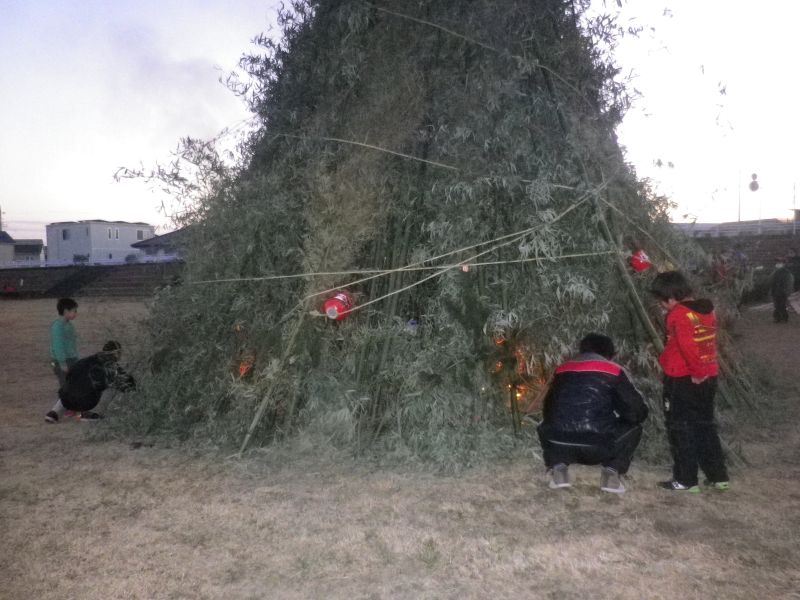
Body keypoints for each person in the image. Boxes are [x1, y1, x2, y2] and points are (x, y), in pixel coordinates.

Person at [537, 333, 649, 494]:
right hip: (599, 445)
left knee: (547, 424)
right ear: (609, 352)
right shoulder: (613, 370)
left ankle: (558, 468)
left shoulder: (562, 370)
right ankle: (611, 471)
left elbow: (548, 408)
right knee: (635, 427)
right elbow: (636, 410)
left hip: (558, 443)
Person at [650, 271, 729, 492]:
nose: (662, 306)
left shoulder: (678, 314)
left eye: (662, 301)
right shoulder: (707, 310)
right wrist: (702, 371)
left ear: (671, 298)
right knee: (705, 425)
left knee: (680, 427)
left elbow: (687, 346)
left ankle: (686, 479)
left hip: (684, 378)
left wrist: (695, 371)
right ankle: (718, 476)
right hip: (709, 375)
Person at [45, 340, 135, 423]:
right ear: (116, 353)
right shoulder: (112, 367)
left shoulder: (84, 361)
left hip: (66, 400)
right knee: (110, 387)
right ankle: (90, 413)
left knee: (71, 388)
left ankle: (54, 413)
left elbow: (68, 377)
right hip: (86, 403)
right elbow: (128, 384)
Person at [49, 298, 79, 408]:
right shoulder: (58, 326)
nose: (76, 313)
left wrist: (76, 358)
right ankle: (65, 407)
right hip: (62, 361)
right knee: (65, 385)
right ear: (66, 311)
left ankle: (70, 406)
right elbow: (58, 346)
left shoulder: (69, 325)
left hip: (71, 359)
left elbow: (72, 344)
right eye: (74, 311)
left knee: (71, 384)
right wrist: (62, 363)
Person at [769, 258, 794, 323]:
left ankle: (784, 317)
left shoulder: (786, 272)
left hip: (782, 292)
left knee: (782, 305)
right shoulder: (775, 272)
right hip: (775, 291)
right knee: (776, 305)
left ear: (783, 264)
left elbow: (789, 282)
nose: (778, 264)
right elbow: (771, 281)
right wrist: (772, 291)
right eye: (777, 262)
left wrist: (787, 291)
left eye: (779, 262)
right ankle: (778, 318)